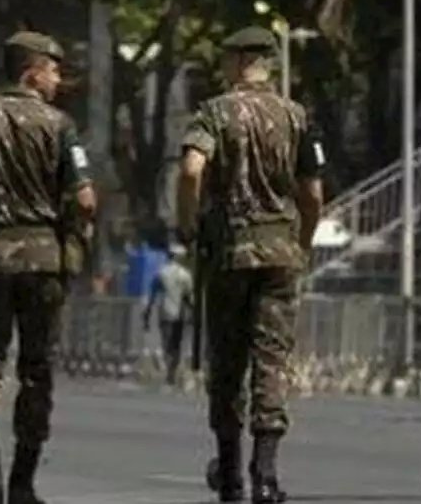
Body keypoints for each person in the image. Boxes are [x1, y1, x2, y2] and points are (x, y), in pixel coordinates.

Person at [0, 31, 97, 504]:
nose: (57, 81)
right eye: (52, 71)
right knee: (37, 369)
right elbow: (85, 199)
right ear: (31, 71)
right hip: (44, 261)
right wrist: (75, 234)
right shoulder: (60, 126)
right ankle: (22, 482)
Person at [177, 26, 324, 504]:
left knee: (227, 361)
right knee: (272, 360)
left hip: (230, 250)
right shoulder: (297, 116)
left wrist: (189, 224)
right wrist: (300, 241)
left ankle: (231, 471)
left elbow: (191, 169)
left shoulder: (215, 112)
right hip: (281, 250)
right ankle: (266, 474)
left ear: (241, 61)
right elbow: (313, 193)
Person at [144, 243, 194, 386]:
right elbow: (189, 297)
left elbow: (153, 295)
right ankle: (172, 371)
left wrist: (147, 313)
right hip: (180, 314)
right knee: (177, 344)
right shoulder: (185, 275)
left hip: (165, 312)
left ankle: (169, 371)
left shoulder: (161, 272)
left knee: (166, 342)